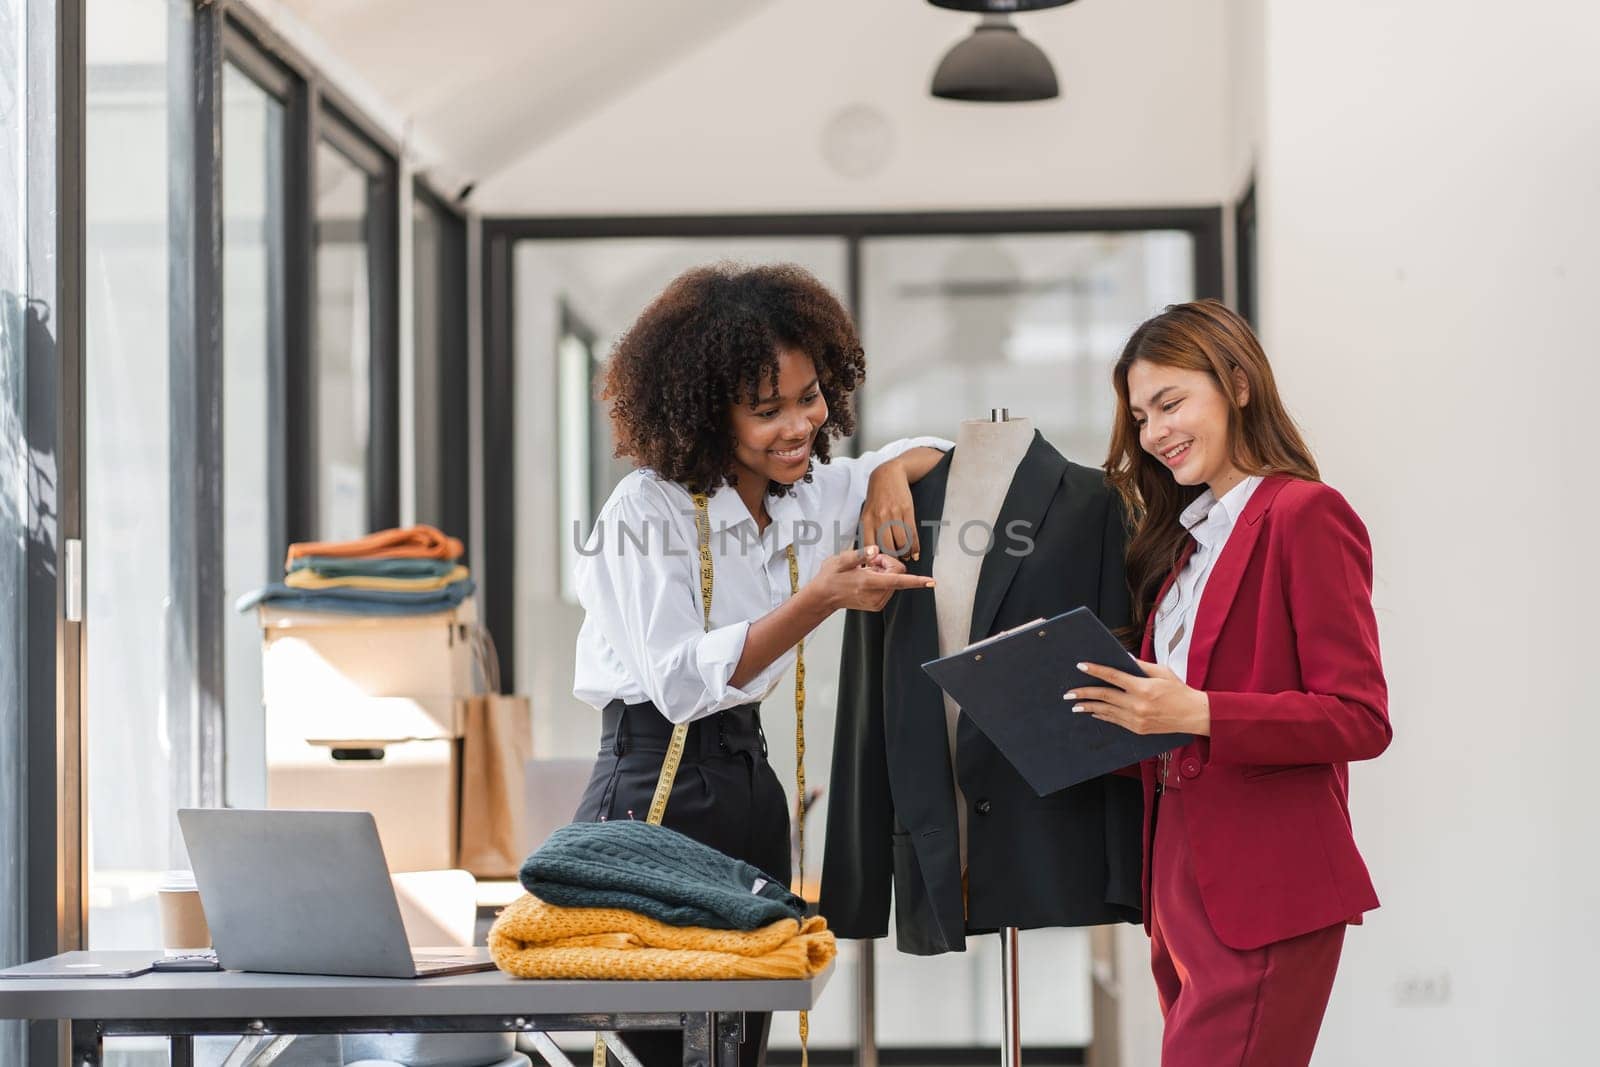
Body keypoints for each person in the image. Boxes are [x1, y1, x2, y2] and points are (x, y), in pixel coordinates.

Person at [571, 262, 950, 1067]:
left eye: (810, 397)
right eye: (766, 409)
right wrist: (817, 600)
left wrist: (883, 471)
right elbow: (676, 682)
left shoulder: (806, 494)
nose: (797, 425)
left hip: (749, 783)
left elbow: (936, 446)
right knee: (660, 1047)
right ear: (712, 414)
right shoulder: (648, 510)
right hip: (654, 783)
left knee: (742, 1042)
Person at [1068, 300, 1391, 1066]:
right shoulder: (1182, 550)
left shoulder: (1305, 514)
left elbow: (1359, 717)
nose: (1154, 432)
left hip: (1264, 883)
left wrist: (1201, 709)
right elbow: (1172, 725)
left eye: (1170, 402)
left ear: (1239, 384)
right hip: (1179, 876)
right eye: (1142, 415)